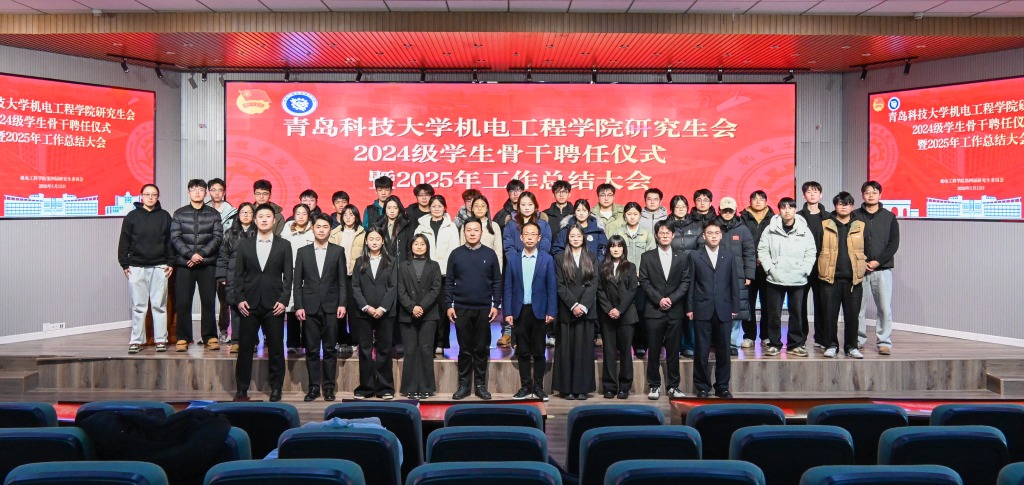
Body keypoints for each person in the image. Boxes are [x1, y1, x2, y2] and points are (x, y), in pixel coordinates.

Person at [232, 203, 293, 402]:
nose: (264, 219)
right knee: (245, 348)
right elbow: (238, 275)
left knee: (276, 348)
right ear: (255, 220)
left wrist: (284, 300)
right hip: (248, 304)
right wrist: (240, 299)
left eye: (268, 216)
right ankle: (242, 388)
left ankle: (276, 388)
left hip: (274, 305)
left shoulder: (284, 245)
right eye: (261, 216)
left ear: (274, 221)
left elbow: (289, 277)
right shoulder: (245, 244)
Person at [446, 219, 503, 400]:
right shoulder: (456, 254)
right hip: (461, 308)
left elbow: (497, 281)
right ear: (464, 232)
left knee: (480, 349)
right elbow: (449, 281)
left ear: (481, 232)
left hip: (484, 309)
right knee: (464, 349)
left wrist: (495, 305)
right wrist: (449, 305)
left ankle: (480, 385)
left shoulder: (490, 254)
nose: (472, 233)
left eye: (476, 230)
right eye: (469, 230)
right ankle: (463, 385)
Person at [293, 213, 347, 402]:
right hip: (309, 308)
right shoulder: (303, 252)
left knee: (330, 350)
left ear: (330, 229)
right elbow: (297, 283)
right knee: (312, 350)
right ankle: (314, 387)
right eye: (318, 226)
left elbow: (342, 281)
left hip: (332, 306)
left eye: (325, 227)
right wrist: (299, 306)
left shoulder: (338, 251)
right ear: (312, 228)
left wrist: (342, 303)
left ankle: (329, 388)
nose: (321, 230)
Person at [118, 183, 175, 354]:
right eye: (147, 194)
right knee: (139, 306)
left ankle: (161, 340)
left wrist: (171, 262)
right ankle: (136, 341)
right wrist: (124, 264)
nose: (150, 197)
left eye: (154, 195)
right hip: (136, 266)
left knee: (159, 305)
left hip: (160, 266)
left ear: (158, 197)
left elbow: (170, 242)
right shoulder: (132, 216)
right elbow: (124, 241)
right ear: (141, 196)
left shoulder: (165, 216)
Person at [757, 197, 817, 357]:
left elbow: (811, 251)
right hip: (774, 277)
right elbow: (762, 250)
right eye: (783, 207)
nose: (787, 210)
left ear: (795, 209)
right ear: (779, 210)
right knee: (774, 314)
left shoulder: (804, 229)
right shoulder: (770, 229)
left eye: (790, 207)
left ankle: (795, 345)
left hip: (798, 277)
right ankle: (774, 344)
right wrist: (769, 268)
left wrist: (805, 269)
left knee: (796, 313)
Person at [687, 220, 740, 399]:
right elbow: (691, 283)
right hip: (702, 308)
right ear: (704, 236)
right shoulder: (695, 256)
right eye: (710, 233)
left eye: (717, 233)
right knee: (701, 351)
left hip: (724, 309)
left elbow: (734, 282)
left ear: (721, 235)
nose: (714, 236)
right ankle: (702, 387)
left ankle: (722, 386)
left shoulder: (729, 256)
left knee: (724, 351)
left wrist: (735, 306)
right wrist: (689, 307)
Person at [504, 221, 557, 401]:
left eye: (533, 234)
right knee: (523, 351)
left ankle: (539, 388)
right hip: (520, 311)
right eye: (526, 234)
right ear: (521, 237)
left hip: (540, 311)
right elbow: (508, 287)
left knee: (540, 351)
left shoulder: (547, 259)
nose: (529, 237)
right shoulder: (513, 259)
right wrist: (508, 312)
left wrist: (551, 311)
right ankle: (525, 387)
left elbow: (551, 287)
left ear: (539, 238)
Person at [638, 220, 691, 400]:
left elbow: (685, 282)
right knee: (653, 351)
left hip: (675, 311)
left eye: (668, 232)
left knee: (673, 351)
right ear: (656, 235)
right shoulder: (647, 256)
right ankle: (654, 385)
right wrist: (659, 299)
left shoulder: (682, 257)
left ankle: (673, 386)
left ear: (673, 235)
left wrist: (671, 299)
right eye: (662, 232)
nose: (665, 235)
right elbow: (644, 281)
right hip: (654, 310)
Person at [171, 179, 224, 352]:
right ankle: (183, 338)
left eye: (201, 189)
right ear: (189, 193)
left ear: (205, 193)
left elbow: (217, 237)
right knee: (183, 302)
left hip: (207, 264)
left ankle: (210, 336)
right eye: (194, 190)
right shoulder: (179, 213)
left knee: (208, 302)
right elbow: (175, 237)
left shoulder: (213, 214)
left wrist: (201, 254)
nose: (197, 192)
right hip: (185, 264)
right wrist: (190, 254)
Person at [817, 192, 867, 359]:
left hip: (853, 280)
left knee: (852, 316)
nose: (844, 207)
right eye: (840, 203)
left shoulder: (861, 225)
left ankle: (852, 347)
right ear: (835, 206)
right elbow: (816, 249)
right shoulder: (824, 225)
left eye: (847, 204)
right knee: (829, 315)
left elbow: (868, 249)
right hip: (829, 278)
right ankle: (831, 345)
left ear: (852, 206)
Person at [350, 227, 399, 399]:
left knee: (384, 350)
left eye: (377, 239)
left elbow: (393, 286)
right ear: (366, 241)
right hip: (364, 312)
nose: (374, 242)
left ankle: (385, 388)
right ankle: (366, 388)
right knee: (364, 351)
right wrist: (366, 307)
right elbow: (355, 287)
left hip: (385, 312)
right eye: (371, 239)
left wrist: (382, 308)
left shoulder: (392, 261)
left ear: (383, 241)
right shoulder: (359, 261)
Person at [501, 191, 554, 347]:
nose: (526, 207)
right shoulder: (511, 224)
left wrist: (535, 260)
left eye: (530, 204)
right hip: (517, 268)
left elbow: (545, 245)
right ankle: (516, 342)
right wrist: (519, 261)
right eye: (523, 204)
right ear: (518, 206)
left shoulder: (543, 224)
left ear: (536, 206)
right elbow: (508, 246)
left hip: (538, 267)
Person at [552, 223, 598, 400]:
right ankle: (567, 389)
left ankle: (582, 389)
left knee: (584, 351)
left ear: (583, 238)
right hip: (567, 310)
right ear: (567, 238)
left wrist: (583, 305)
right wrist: (573, 305)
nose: (576, 239)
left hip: (586, 311)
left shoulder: (591, 257)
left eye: (579, 236)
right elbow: (559, 284)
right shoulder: (560, 258)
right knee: (566, 351)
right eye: (572, 236)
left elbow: (594, 283)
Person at [854, 181, 900, 356]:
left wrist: (877, 262)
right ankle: (858, 340)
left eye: (874, 192)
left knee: (884, 309)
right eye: (867, 192)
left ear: (880, 195)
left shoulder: (889, 217)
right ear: (862, 195)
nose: (871, 195)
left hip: (882, 270)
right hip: (859, 269)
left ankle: (884, 342)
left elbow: (893, 244)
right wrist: (861, 261)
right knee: (858, 308)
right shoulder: (855, 215)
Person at [413, 195, 461, 355]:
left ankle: (441, 342)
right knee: (425, 308)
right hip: (424, 274)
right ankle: (427, 341)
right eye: (433, 206)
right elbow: (416, 247)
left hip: (444, 275)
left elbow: (453, 251)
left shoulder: (451, 227)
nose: (436, 209)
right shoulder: (421, 226)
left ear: (445, 207)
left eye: (440, 206)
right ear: (429, 208)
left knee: (442, 309)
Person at [396, 234, 442, 399]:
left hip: (428, 314)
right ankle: (410, 388)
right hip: (407, 314)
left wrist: (421, 307)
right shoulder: (403, 266)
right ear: (411, 246)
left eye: (422, 244)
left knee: (426, 350)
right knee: (410, 350)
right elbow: (400, 290)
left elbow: (436, 289)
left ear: (427, 246)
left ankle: (426, 388)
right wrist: (412, 307)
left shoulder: (434, 265)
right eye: (416, 243)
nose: (419, 246)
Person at [612, 202, 656, 357]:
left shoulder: (647, 234)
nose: (632, 217)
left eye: (635, 214)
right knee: (622, 312)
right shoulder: (618, 232)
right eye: (629, 214)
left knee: (640, 312)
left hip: (640, 282)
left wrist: (641, 273)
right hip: (621, 281)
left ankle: (640, 344)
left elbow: (651, 257)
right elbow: (613, 255)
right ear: (624, 215)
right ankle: (621, 345)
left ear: (640, 215)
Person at [597, 235, 638, 399]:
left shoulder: (631, 267)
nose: (616, 249)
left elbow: (632, 290)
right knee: (608, 352)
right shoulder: (601, 266)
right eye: (613, 246)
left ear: (623, 249)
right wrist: (609, 309)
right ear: (608, 249)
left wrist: (619, 310)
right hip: (607, 315)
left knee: (626, 352)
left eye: (619, 246)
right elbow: (599, 290)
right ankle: (609, 387)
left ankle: (624, 387)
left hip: (626, 315)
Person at [715, 197, 755, 354]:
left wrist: (749, 275)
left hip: (738, 276)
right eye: (724, 210)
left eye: (730, 210)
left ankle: (732, 344)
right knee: (717, 310)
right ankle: (719, 343)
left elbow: (749, 253)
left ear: (735, 211)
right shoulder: (713, 227)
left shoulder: (743, 229)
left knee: (736, 310)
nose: (727, 213)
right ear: (719, 210)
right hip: (716, 276)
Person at [216, 202, 257, 353]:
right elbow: (223, 256)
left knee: (252, 310)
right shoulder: (230, 233)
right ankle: (236, 341)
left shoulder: (258, 232)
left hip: (253, 276)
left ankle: (252, 341)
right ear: (238, 215)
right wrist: (222, 275)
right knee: (235, 308)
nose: (246, 215)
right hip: (233, 275)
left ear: (254, 215)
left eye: (249, 212)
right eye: (243, 212)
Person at [666, 195, 702, 357]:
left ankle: (688, 345)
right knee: (672, 310)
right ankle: (672, 344)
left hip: (691, 272)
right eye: (677, 206)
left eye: (683, 206)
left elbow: (701, 249)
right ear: (672, 208)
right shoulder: (666, 226)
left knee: (689, 310)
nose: (680, 209)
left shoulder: (696, 226)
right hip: (670, 272)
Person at [740, 190, 775, 349]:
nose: (758, 201)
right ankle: (749, 336)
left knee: (768, 303)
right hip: (747, 267)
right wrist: (751, 259)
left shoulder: (774, 219)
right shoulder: (742, 218)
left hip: (767, 267)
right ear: (750, 201)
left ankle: (766, 336)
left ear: (766, 202)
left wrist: (765, 258)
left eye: (761, 199)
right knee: (748, 303)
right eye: (755, 199)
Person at [797, 182, 830, 349]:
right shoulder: (797, 217)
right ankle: (800, 339)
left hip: (822, 267)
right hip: (802, 267)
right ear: (804, 195)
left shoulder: (829, 217)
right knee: (799, 304)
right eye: (808, 192)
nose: (812, 194)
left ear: (820, 195)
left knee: (822, 304)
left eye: (815, 191)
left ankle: (821, 338)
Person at [328, 204, 364, 354]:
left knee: (355, 311)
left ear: (356, 216)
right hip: (338, 277)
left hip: (355, 277)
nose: (348, 217)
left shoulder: (363, 233)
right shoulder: (335, 233)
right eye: (345, 215)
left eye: (351, 214)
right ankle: (341, 339)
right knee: (340, 309)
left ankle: (355, 340)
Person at [282, 203, 316, 355]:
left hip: (309, 274)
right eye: (298, 213)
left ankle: (309, 342)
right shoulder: (287, 230)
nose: (301, 216)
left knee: (308, 308)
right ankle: (292, 343)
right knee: (292, 308)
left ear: (309, 216)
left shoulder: (314, 230)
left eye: (304, 214)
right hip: (291, 273)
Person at [207, 178, 237, 344]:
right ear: (209, 192)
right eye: (213, 190)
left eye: (220, 190)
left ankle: (224, 329)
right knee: (207, 297)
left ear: (224, 192)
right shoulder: (204, 210)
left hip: (225, 259)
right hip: (207, 258)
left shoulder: (233, 212)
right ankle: (208, 333)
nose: (217, 193)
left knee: (225, 298)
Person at [381, 195, 415, 263]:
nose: (392, 211)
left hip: (402, 265)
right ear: (385, 209)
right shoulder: (379, 226)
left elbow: (410, 249)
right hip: (384, 265)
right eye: (389, 208)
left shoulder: (406, 226)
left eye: (395, 208)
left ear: (399, 209)